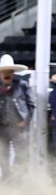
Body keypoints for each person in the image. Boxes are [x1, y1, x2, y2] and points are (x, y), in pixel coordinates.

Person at [0, 54, 33, 182]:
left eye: (9, 71)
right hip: (2, 126)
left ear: (13, 73)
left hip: (19, 127)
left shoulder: (22, 85)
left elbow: (31, 105)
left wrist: (26, 120)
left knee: (22, 154)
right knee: (3, 154)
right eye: (4, 72)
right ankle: (7, 179)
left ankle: (20, 180)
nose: (7, 74)